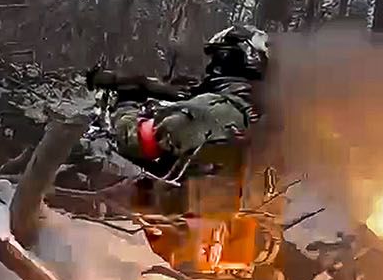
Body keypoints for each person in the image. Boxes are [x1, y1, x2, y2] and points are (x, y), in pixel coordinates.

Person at [105, 24, 270, 172]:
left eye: (215, 57)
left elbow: (137, 141)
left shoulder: (215, 108)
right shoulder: (256, 113)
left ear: (226, 58)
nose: (210, 66)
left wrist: (125, 105)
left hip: (184, 195)